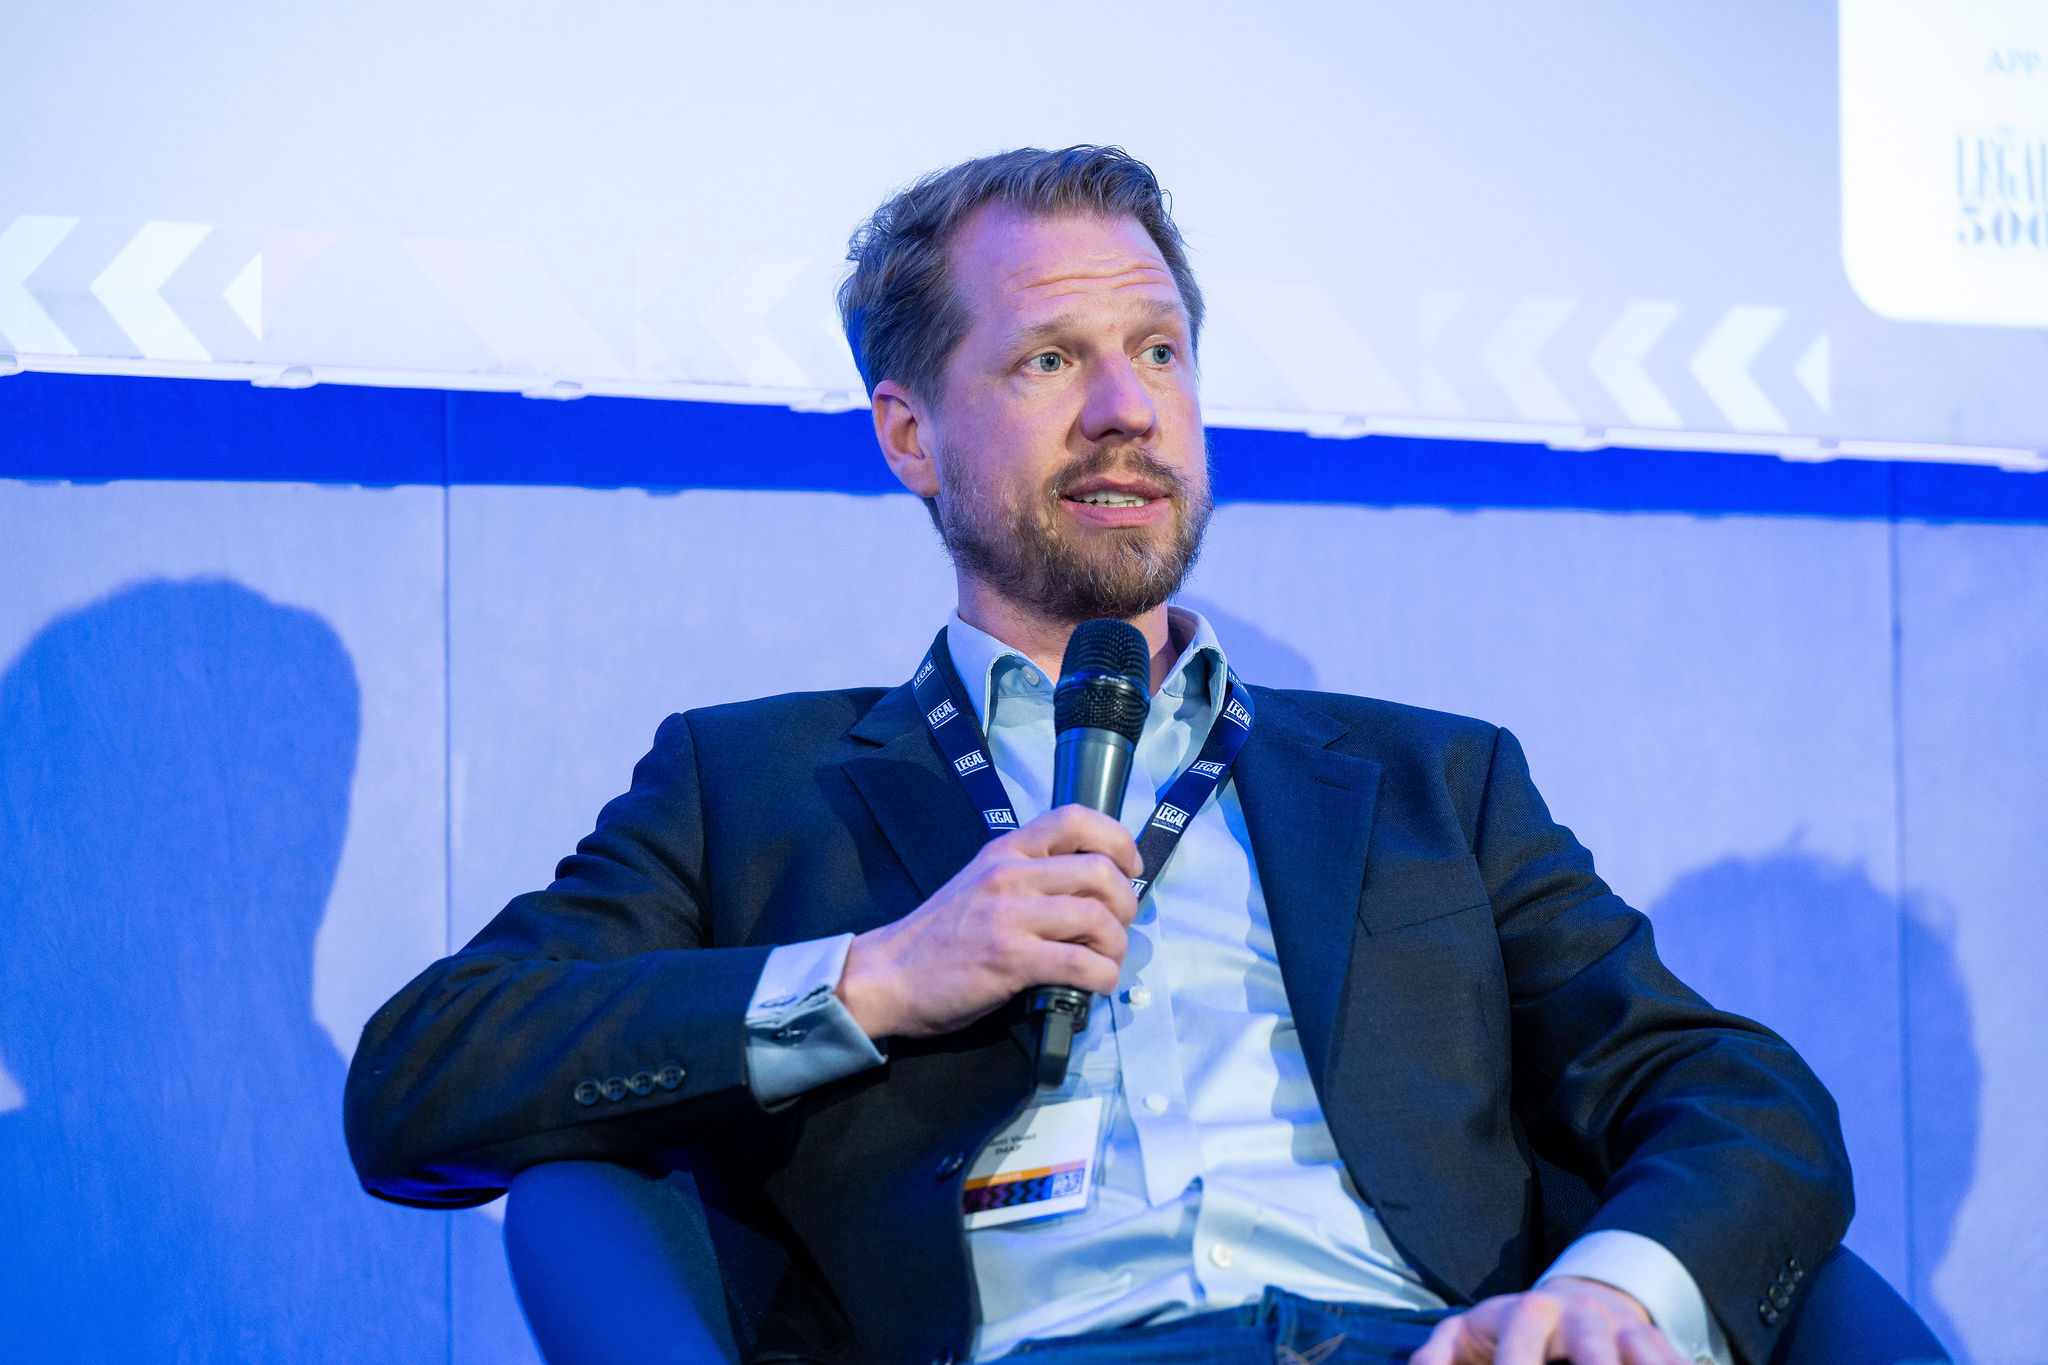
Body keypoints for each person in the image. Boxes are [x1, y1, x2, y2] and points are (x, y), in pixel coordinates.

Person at [344, 147, 1851, 1365]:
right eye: (1052, 359)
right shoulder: (749, 787)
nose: (1129, 409)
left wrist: (1610, 1288)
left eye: (1159, 351)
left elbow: (1731, 1089)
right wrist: (882, 974)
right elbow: (422, 1074)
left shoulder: (1432, 786)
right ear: (910, 436)